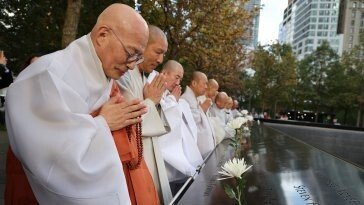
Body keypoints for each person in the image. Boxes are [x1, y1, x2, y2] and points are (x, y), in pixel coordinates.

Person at [5, 4, 159, 205]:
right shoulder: (48, 76)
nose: (131, 65)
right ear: (102, 35)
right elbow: (53, 157)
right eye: (131, 53)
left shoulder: (104, 74)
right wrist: (103, 123)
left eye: (138, 57)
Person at [117, 25, 172, 203]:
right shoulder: (123, 74)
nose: (160, 59)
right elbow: (125, 123)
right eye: (158, 51)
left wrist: (154, 102)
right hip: (135, 161)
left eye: (163, 54)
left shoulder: (142, 76)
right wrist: (151, 101)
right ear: (143, 44)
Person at [155, 60, 203, 195]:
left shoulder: (167, 93)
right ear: (164, 73)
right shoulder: (152, 86)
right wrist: (173, 101)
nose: (178, 83)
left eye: (180, 79)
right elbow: (161, 118)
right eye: (176, 77)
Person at [181, 71, 215, 158]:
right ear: (194, 83)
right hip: (195, 152)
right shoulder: (184, 99)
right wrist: (202, 109)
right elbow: (187, 121)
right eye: (204, 83)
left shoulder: (195, 99)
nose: (206, 87)